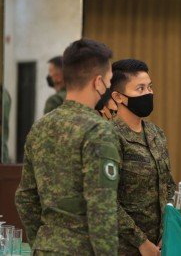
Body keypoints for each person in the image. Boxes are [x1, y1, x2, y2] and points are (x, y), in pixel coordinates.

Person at [15, 38, 121, 255]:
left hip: (45, 248)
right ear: (97, 82)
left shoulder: (40, 128)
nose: (110, 87)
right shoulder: (99, 131)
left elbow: (25, 198)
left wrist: (44, 241)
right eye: (109, 81)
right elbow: (101, 209)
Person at [109, 59, 176, 256]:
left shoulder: (156, 133)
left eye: (150, 87)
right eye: (140, 89)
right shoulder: (108, 136)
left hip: (160, 245)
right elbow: (106, 199)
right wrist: (141, 242)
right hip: (122, 246)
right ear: (118, 96)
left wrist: (167, 230)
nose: (148, 93)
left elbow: (167, 184)